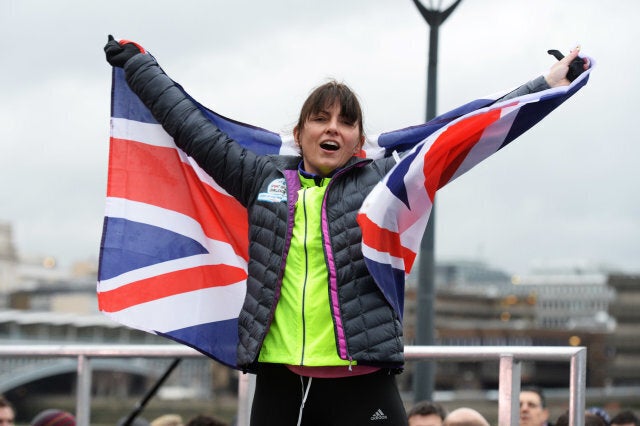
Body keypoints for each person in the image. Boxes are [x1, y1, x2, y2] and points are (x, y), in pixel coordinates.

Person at [104, 35, 588, 426]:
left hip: (364, 379)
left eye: (346, 121)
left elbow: (467, 129)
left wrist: (545, 84)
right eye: (321, 118)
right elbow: (192, 127)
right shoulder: (263, 179)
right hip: (280, 381)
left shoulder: (384, 181)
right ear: (300, 133)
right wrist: (141, 66)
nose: (332, 127)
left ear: (358, 139)